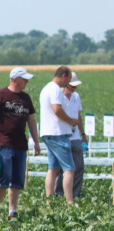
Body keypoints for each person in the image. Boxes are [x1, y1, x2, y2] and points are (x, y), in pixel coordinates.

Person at [0, 67, 41, 219]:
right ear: (15, 79)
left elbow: (31, 120)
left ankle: (12, 211)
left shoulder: (26, 98)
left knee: (17, 180)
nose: (27, 82)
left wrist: (36, 141)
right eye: (24, 79)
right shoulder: (0, 95)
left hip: (21, 145)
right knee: (4, 177)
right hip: (4, 143)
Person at [38, 66, 78, 204]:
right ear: (64, 75)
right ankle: (70, 202)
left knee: (53, 168)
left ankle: (50, 200)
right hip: (57, 133)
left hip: (48, 132)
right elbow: (57, 109)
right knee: (70, 169)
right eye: (69, 79)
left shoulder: (46, 88)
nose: (69, 83)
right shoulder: (55, 89)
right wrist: (71, 121)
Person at [55, 72, 86, 200]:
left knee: (79, 166)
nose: (74, 89)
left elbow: (78, 116)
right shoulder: (58, 96)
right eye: (72, 86)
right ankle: (59, 193)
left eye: (75, 86)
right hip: (62, 136)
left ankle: (75, 193)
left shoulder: (76, 97)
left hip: (76, 137)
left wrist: (83, 133)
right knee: (62, 169)